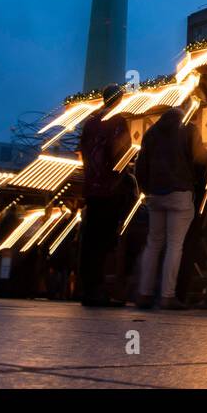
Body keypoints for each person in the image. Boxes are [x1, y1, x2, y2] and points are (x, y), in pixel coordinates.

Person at [135, 105, 207, 309]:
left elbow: (141, 165)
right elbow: (200, 158)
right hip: (180, 193)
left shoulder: (151, 132)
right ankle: (167, 295)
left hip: (155, 194)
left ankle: (144, 293)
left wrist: (145, 188)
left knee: (154, 243)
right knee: (175, 245)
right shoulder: (188, 129)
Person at [77, 83, 132, 307]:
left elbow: (82, 152)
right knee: (105, 240)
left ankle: (88, 288)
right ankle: (99, 289)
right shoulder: (117, 121)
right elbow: (121, 155)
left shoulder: (90, 122)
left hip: (91, 188)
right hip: (110, 189)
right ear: (118, 99)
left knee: (90, 240)